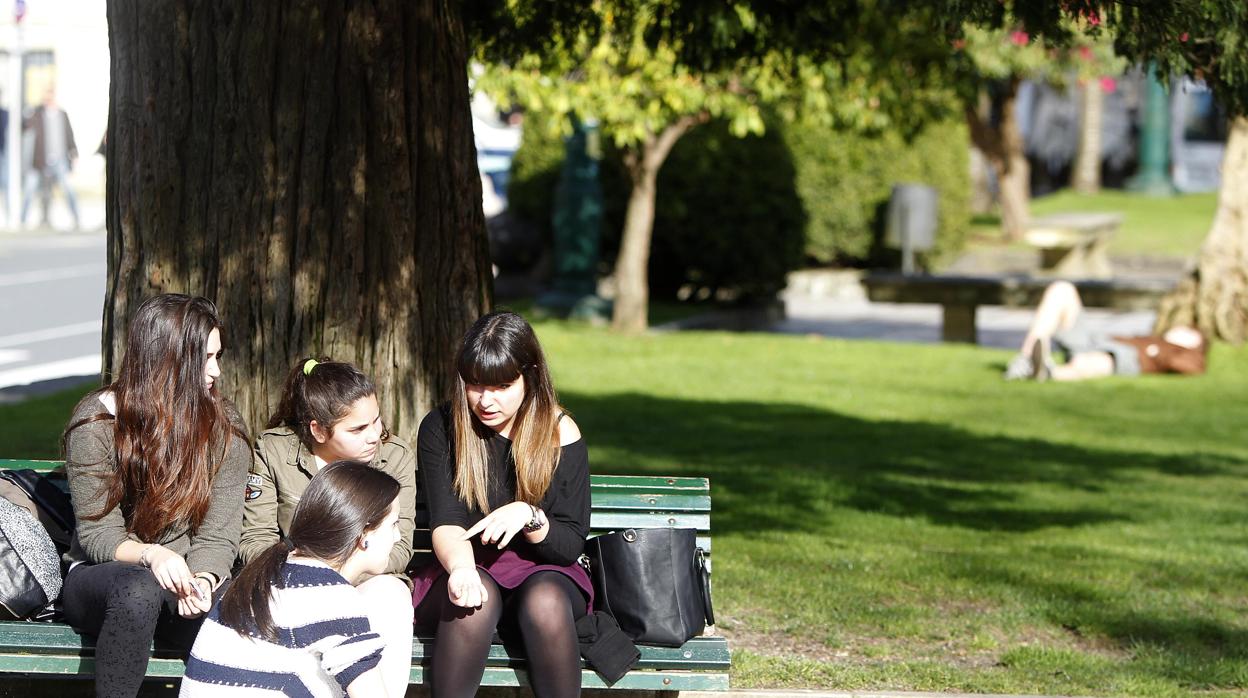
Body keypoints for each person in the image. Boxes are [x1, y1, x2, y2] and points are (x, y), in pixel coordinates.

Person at [60, 294, 250, 697]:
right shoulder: (98, 422)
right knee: (138, 589)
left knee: (238, 607)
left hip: (184, 585)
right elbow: (97, 536)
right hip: (106, 580)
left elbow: (218, 536)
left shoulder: (225, 430)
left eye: (219, 356)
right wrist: (153, 554)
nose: (216, 370)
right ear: (168, 361)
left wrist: (202, 578)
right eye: (205, 358)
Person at [414, 310, 590, 698]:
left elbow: (569, 545)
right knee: (473, 600)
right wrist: (460, 570)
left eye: (502, 386)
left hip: (545, 572)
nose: (486, 400)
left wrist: (529, 515)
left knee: (544, 601)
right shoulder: (442, 428)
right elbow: (447, 520)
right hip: (469, 563)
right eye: (475, 385)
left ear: (530, 375)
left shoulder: (559, 430)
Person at [241, 357, 417, 695]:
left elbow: (399, 547)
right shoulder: (274, 451)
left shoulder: (393, 457)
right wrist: (316, 581)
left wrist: (339, 579)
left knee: (391, 595)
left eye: (376, 422)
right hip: (292, 587)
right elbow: (256, 541)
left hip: (367, 584)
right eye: (357, 430)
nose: (374, 437)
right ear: (318, 430)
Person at [181, 460, 407, 697]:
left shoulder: (266, 574)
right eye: (393, 524)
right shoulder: (329, 596)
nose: (398, 536)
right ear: (364, 533)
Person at [1003, 280, 1208, 382]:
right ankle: (1027, 356)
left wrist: (1161, 352)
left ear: (1195, 340)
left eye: (1188, 331)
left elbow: (1192, 367)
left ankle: (1048, 373)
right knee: (1061, 289)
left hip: (1126, 357)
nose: (1180, 328)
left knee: (1096, 361)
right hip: (1097, 339)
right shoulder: (1154, 337)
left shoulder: (1185, 354)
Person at [22, 86, 80, 229]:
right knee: (32, 189)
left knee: (68, 189)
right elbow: (25, 126)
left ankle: (77, 218)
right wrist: (29, 112)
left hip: (60, 159)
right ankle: (23, 220)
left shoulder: (62, 114)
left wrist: (74, 153)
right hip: (40, 159)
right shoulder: (37, 113)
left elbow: (69, 134)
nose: (48, 100)